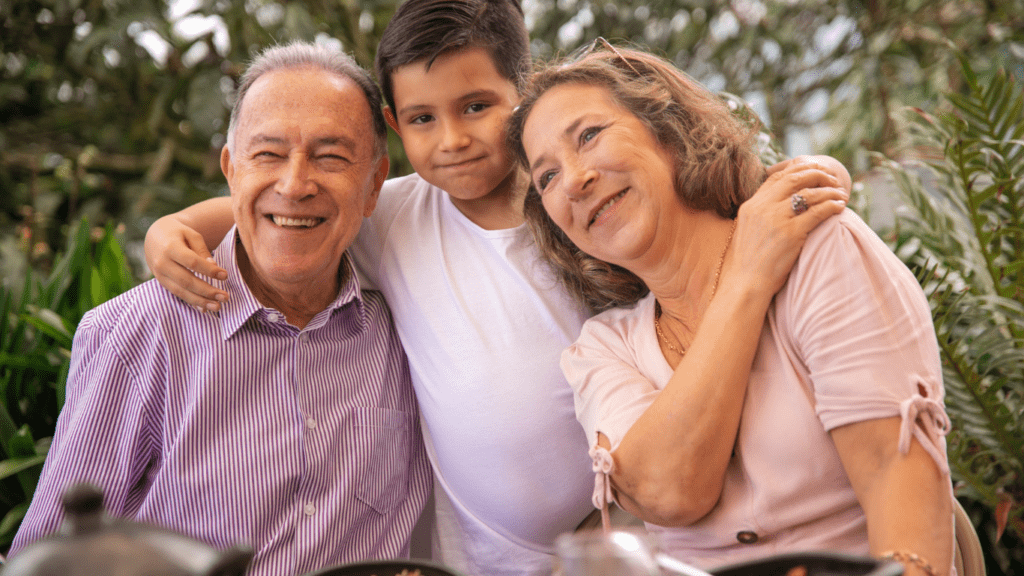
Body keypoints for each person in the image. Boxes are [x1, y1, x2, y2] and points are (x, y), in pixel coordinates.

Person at [141, 3, 851, 573]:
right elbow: (281, 204)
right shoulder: (391, 214)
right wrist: (173, 227)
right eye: (423, 119)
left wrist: (803, 178)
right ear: (394, 127)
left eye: (476, 106)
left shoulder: (585, 206)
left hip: (634, 536)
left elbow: (709, 209)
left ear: (524, 92)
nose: (452, 139)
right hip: (479, 555)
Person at [505, 44, 955, 576]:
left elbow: (893, 475)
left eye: (589, 135)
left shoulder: (819, 250)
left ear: (666, 131)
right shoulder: (603, 346)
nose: (575, 179)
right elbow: (666, 493)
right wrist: (746, 280)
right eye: (547, 177)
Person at [9, 42, 432, 576]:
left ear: (374, 185)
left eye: (331, 156)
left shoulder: (405, 328)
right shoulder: (141, 331)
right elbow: (50, 557)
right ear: (231, 171)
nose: (296, 183)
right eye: (268, 154)